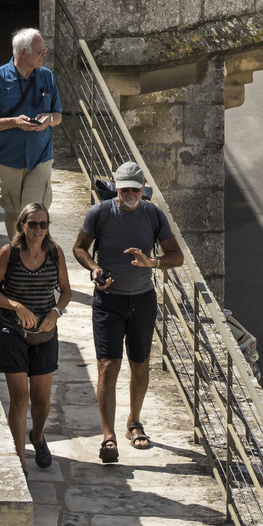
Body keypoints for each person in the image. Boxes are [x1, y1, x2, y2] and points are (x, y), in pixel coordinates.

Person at [73, 160, 183, 463]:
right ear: (115, 187)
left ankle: (134, 422)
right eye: (124, 190)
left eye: (136, 189)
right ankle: (108, 437)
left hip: (142, 300)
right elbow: (79, 248)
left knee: (140, 365)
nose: (130, 194)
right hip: (108, 302)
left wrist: (153, 263)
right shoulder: (101, 212)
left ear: (143, 189)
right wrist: (95, 269)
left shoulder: (153, 214)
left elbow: (177, 256)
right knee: (107, 367)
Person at [0, 199, 71, 470]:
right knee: (20, 398)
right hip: (11, 329)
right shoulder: (8, 253)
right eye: (32, 224)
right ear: (22, 225)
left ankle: (38, 436)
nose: (38, 229)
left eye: (43, 224)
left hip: (44, 332)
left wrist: (56, 312)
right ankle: (19, 463)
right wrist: (16, 305)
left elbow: (66, 292)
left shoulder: (55, 252)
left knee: (42, 402)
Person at [0, 28, 62, 238]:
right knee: (14, 212)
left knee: (34, 214)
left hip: (40, 155)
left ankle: (34, 256)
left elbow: (58, 115)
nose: (44, 55)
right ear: (23, 53)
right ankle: (17, 253)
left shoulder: (47, 76)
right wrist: (15, 122)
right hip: (9, 156)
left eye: (45, 50)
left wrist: (48, 119)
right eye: (39, 52)